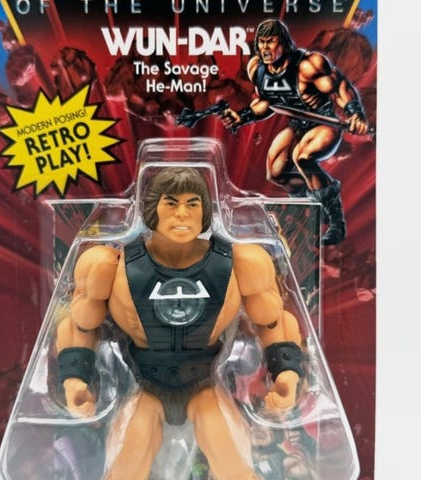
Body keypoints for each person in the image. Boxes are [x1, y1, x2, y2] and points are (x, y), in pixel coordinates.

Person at [55, 166, 304, 480]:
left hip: (204, 385)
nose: (182, 214)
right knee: (126, 465)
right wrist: (74, 380)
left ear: (205, 211)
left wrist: (288, 374)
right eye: (171, 203)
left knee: (234, 465)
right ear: (152, 209)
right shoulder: (107, 266)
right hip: (146, 386)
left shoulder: (243, 263)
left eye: (192, 204)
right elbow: (80, 326)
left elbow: (274, 322)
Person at [220, 19, 370, 246]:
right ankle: (311, 205)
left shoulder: (308, 65)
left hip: (324, 123)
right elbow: (266, 103)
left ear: (283, 43)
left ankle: (336, 222)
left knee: (303, 157)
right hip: (297, 126)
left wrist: (355, 113)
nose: (264, 48)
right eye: (261, 42)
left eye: (270, 42)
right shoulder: (257, 69)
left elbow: (340, 86)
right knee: (275, 172)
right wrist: (243, 117)